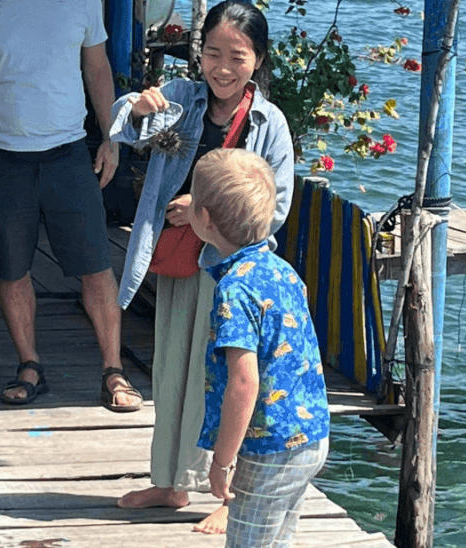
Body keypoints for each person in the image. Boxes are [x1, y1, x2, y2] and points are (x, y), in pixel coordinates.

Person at [110, 0, 294, 533]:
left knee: (222, 381)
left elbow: (273, 211)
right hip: (177, 261)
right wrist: (142, 109)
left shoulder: (269, 124)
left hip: (231, 273)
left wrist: (203, 211)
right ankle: (169, 483)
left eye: (236, 56)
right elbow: (125, 124)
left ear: (257, 59)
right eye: (212, 53)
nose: (222, 67)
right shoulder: (184, 97)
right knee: (171, 371)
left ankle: (232, 495)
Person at [0, 0, 143, 412]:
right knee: (12, 268)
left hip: (68, 153)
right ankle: (28, 365)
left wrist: (112, 137)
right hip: (0, 153)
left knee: (96, 265)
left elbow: (97, 66)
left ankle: (113, 371)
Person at [190, 148, 330, 548]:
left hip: (268, 447)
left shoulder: (234, 290)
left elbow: (244, 382)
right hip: (310, 435)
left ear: (204, 219)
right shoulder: (280, 268)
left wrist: (222, 460)